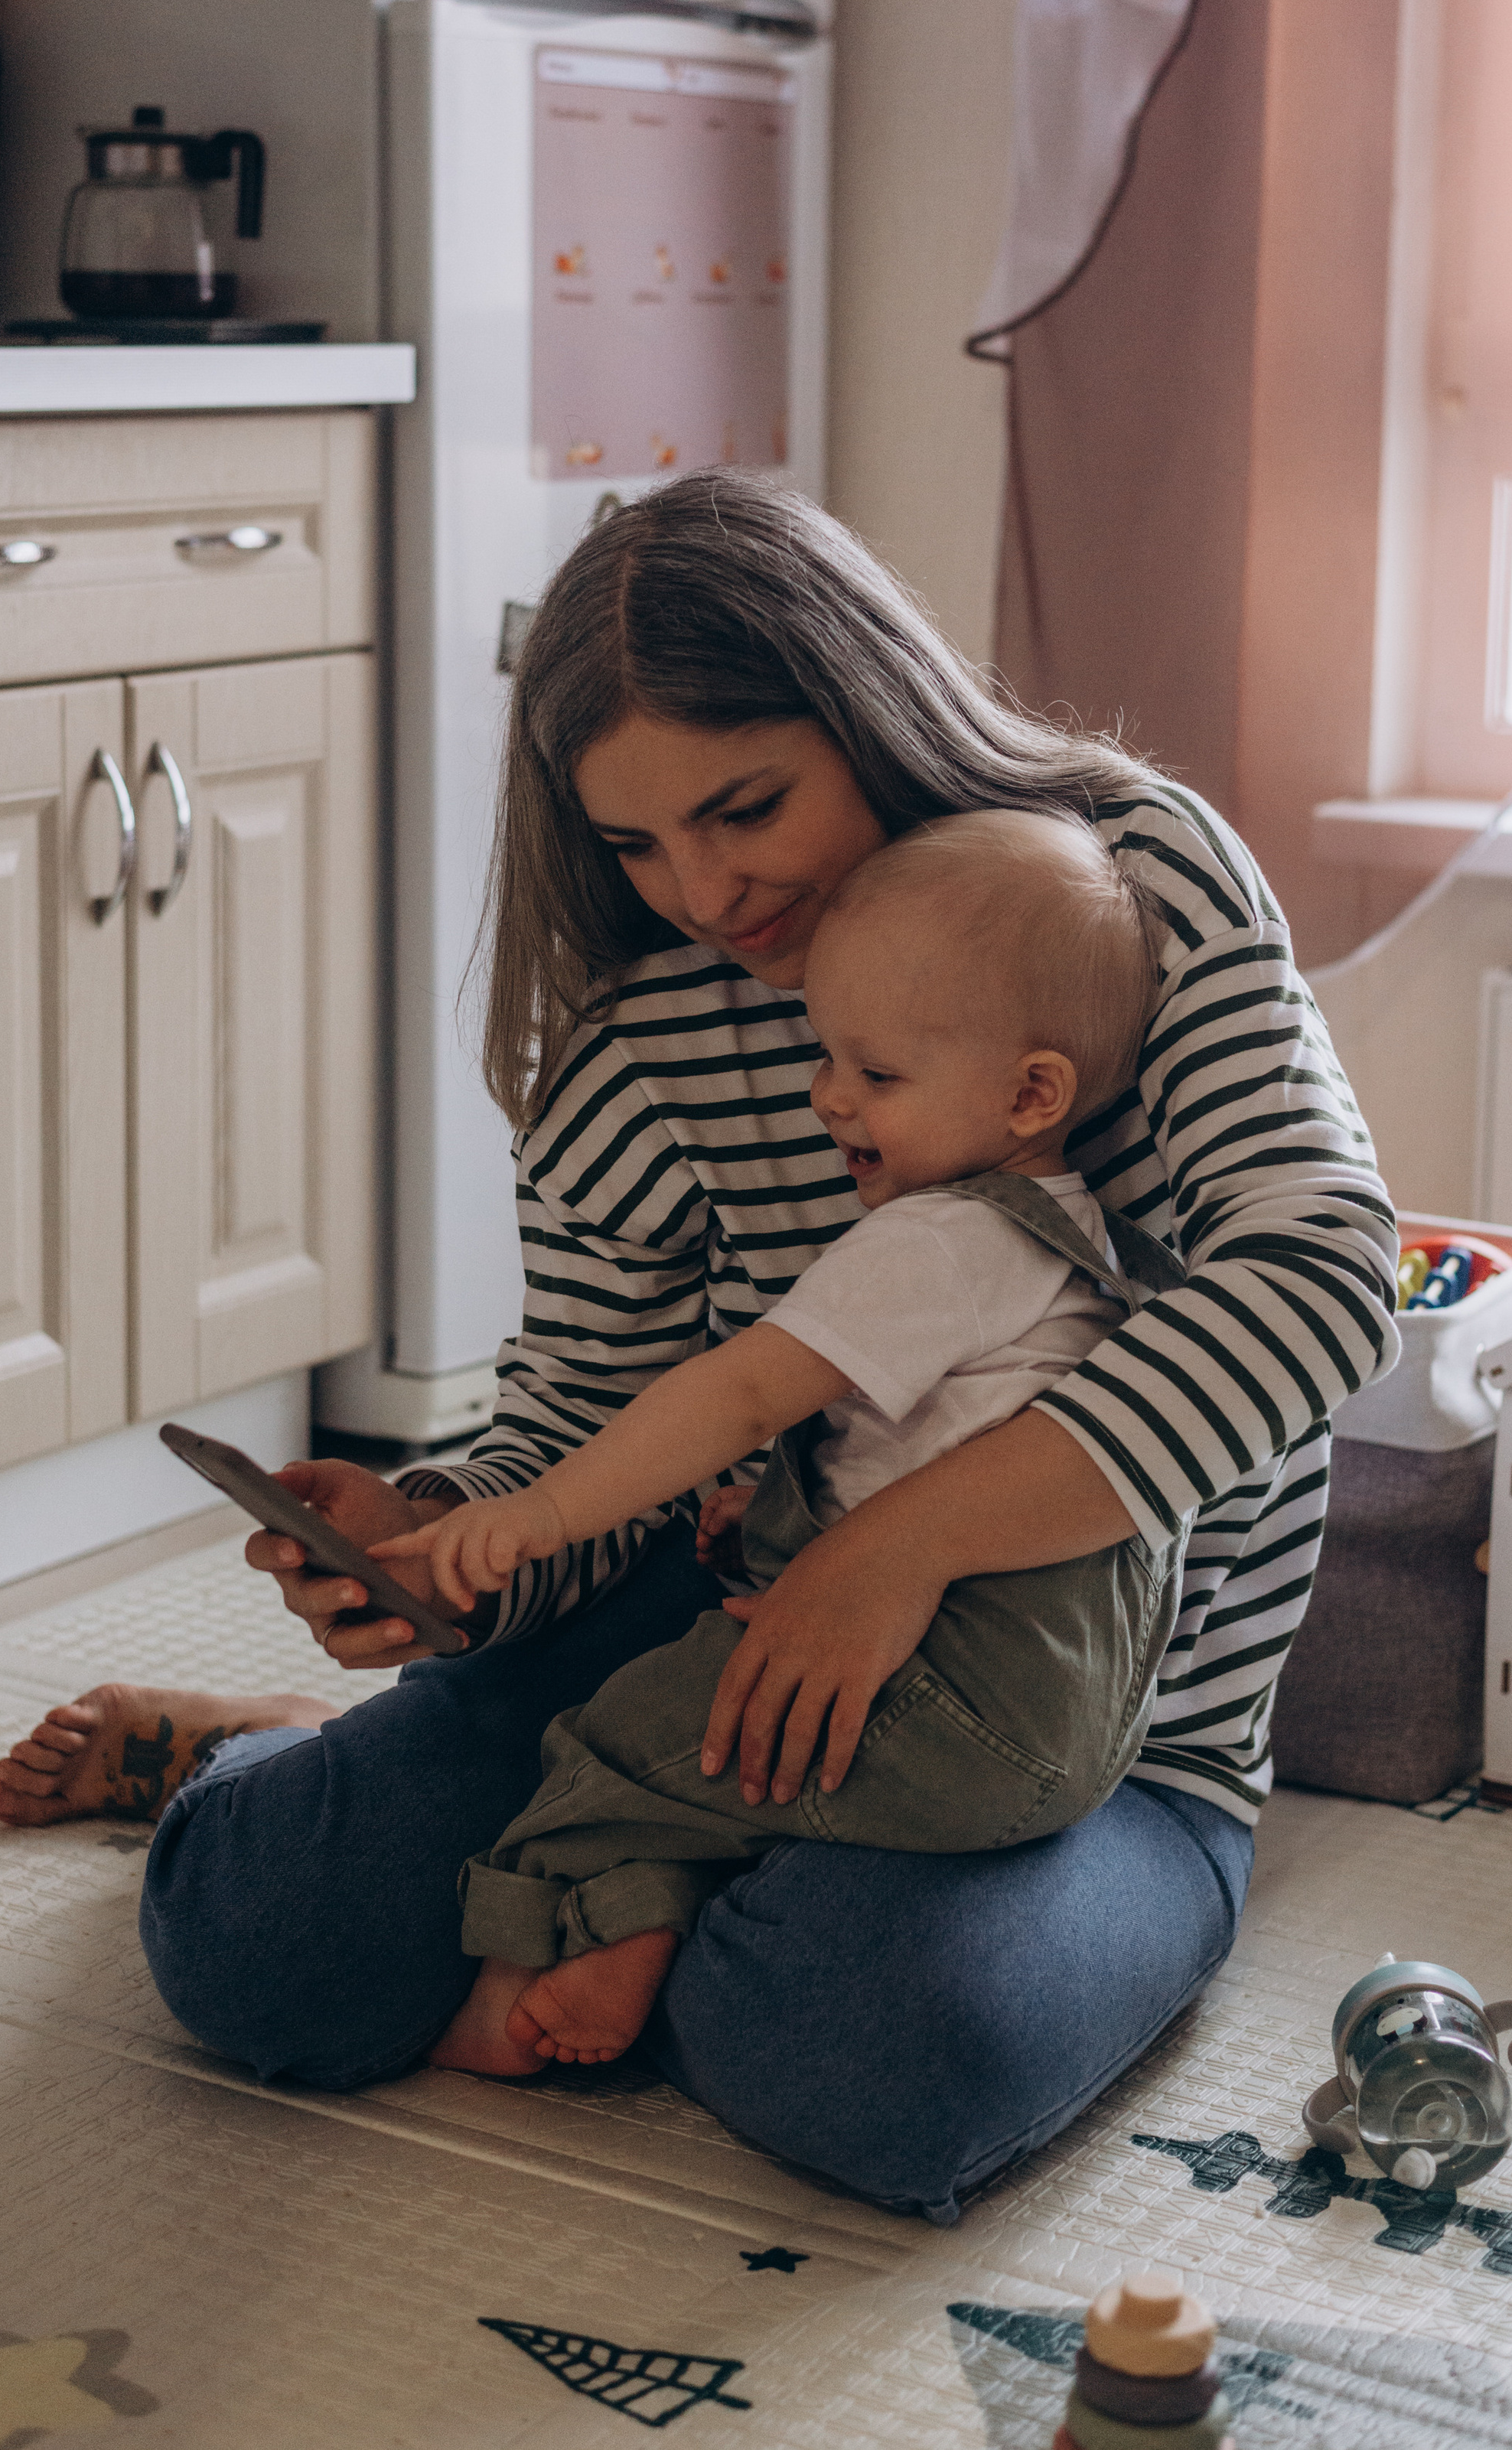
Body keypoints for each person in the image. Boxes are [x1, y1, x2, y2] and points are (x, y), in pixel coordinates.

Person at [0, 476, 1398, 2227]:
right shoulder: (642, 1033)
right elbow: (578, 1432)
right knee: (253, 1946)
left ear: (868, 716)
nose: (705, 889)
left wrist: (893, 1552)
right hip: (704, 1659)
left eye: (746, 807)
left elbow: (1330, 1271)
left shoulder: (1115, 882)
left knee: (867, 2054)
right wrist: (442, 1541)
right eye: (639, 845)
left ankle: (615, 1897)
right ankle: (272, 1766)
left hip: (1095, 1746)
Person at [414, 804, 1186, 2076]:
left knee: (610, 1745)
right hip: (1073, 1712)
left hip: (960, 1689)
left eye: (876, 1074)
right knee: (712, 1757)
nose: (831, 1097)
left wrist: (540, 1513)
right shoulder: (1078, 1243)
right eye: (827, 1057)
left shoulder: (939, 1239)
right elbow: (918, 1451)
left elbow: (739, 1393)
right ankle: (639, 1934)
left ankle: (513, 1999)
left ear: (1031, 1090)